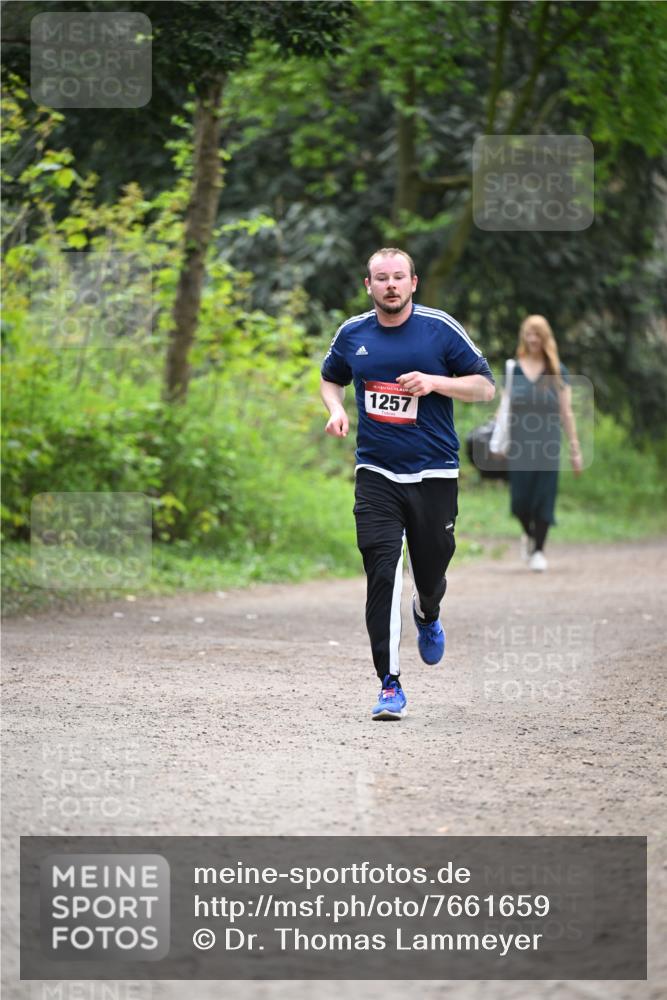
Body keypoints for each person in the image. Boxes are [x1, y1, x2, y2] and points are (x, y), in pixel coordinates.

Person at [320, 247, 495, 721]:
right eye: (382, 278)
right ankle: (389, 684)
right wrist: (336, 410)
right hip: (376, 472)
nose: (391, 285)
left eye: (399, 277)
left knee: (432, 571)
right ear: (369, 286)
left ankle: (429, 612)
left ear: (413, 283)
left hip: (435, 471)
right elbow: (330, 378)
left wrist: (436, 382)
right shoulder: (353, 333)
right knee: (381, 573)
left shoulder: (439, 328)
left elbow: (485, 386)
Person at [503, 315, 583, 572]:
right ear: (523, 337)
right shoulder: (514, 369)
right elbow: (505, 407)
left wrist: (574, 448)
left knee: (544, 499)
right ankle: (529, 534)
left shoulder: (558, 371)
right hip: (520, 443)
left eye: (537, 334)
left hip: (548, 443)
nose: (533, 339)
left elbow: (566, 412)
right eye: (528, 334)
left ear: (545, 338)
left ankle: (538, 550)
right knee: (520, 502)